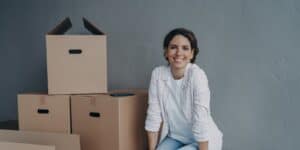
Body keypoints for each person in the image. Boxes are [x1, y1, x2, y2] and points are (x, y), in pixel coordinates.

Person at [145, 28, 223, 150]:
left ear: (192, 53)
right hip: (175, 137)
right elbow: (153, 116)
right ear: (166, 52)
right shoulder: (158, 74)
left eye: (185, 48)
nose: (178, 53)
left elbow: (201, 121)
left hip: (200, 140)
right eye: (173, 47)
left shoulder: (197, 76)